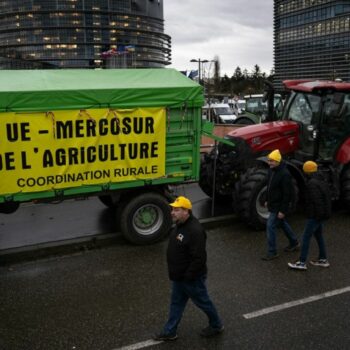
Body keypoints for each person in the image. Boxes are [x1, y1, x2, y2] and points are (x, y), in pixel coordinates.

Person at [154, 196, 224, 341]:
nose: (172, 212)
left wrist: (188, 277)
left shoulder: (195, 230)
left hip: (190, 279)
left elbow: (199, 258)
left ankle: (216, 325)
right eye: (172, 209)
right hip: (180, 277)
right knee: (176, 303)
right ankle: (170, 331)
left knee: (203, 302)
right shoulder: (180, 224)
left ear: (186, 211)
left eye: (177, 210)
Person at [288, 161, 332, 270]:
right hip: (321, 215)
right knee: (319, 236)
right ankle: (323, 259)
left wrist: (315, 216)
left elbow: (316, 202)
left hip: (315, 215)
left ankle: (302, 262)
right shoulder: (321, 180)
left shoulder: (311, 184)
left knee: (306, 237)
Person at [262, 149, 299, 261]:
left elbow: (287, 194)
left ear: (277, 161)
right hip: (273, 203)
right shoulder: (271, 171)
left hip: (278, 206)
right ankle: (294, 242)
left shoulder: (285, 174)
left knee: (270, 226)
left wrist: (283, 210)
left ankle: (272, 252)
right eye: (269, 161)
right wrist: (267, 199)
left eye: (271, 161)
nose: (269, 163)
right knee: (282, 223)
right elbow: (269, 187)